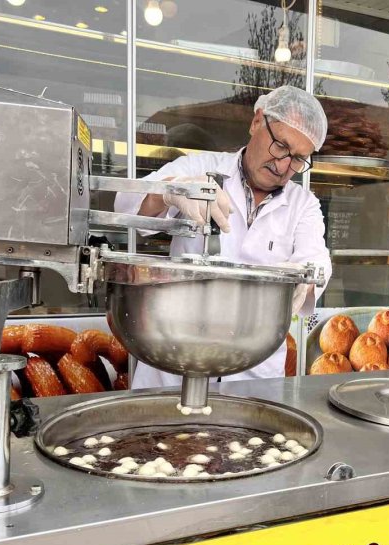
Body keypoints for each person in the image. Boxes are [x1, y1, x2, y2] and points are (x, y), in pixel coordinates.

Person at [114, 85, 333, 390]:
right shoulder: (200, 168)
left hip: (255, 370)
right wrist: (172, 191)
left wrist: (309, 277)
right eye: (281, 146)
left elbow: (316, 257)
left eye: (298, 159)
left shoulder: (302, 204)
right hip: (176, 359)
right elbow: (125, 204)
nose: (283, 166)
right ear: (257, 121)